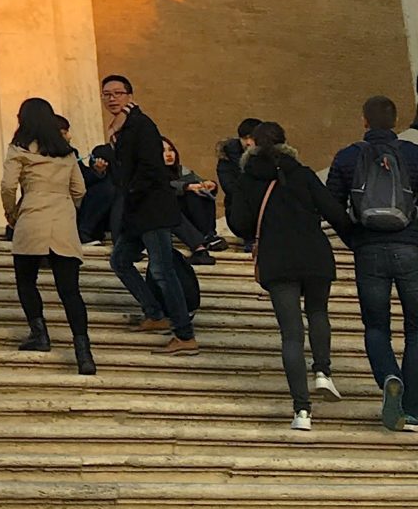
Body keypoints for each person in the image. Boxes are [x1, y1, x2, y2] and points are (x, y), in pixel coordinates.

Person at [224, 121, 344, 429]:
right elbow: (333, 211)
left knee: (291, 333)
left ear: (253, 144)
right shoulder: (303, 173)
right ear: (285, 142)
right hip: (315, 255)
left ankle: (302, 411)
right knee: (318, 312)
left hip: (277, 259)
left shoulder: (247, 179)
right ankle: (322, 371)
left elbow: (240, 224)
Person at [326, 96, 418, 430]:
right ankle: (412, 407)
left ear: (364, 121)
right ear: (395, 121)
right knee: (416, 328)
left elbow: (331, 205)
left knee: (376, 326)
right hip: (410, 249)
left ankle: (389, 376)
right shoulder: (413, 154)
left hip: (368, 250)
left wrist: (354, 238)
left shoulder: (347, 156)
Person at [99, 74, 197, 350]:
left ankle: (185, 334)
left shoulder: (141, 125)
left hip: (151, 209)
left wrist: (132, 190)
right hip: (136, 212)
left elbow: (151, 169)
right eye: (107, 94)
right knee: (120, 260)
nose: (112, 99)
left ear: (130, 96)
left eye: (118, 93)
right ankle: (155, 314)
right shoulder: (121, 128)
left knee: (162, 270)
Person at [1, 98, 95, 372]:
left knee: (26, 280)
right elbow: (79, 190)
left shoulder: (19, 149)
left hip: (32, 217)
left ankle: (39, 334)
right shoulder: (66, 152)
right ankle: (83, 352)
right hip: (62, 221)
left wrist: (12, 213)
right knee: (70, 291)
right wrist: (65, 206)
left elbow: (8, 186)